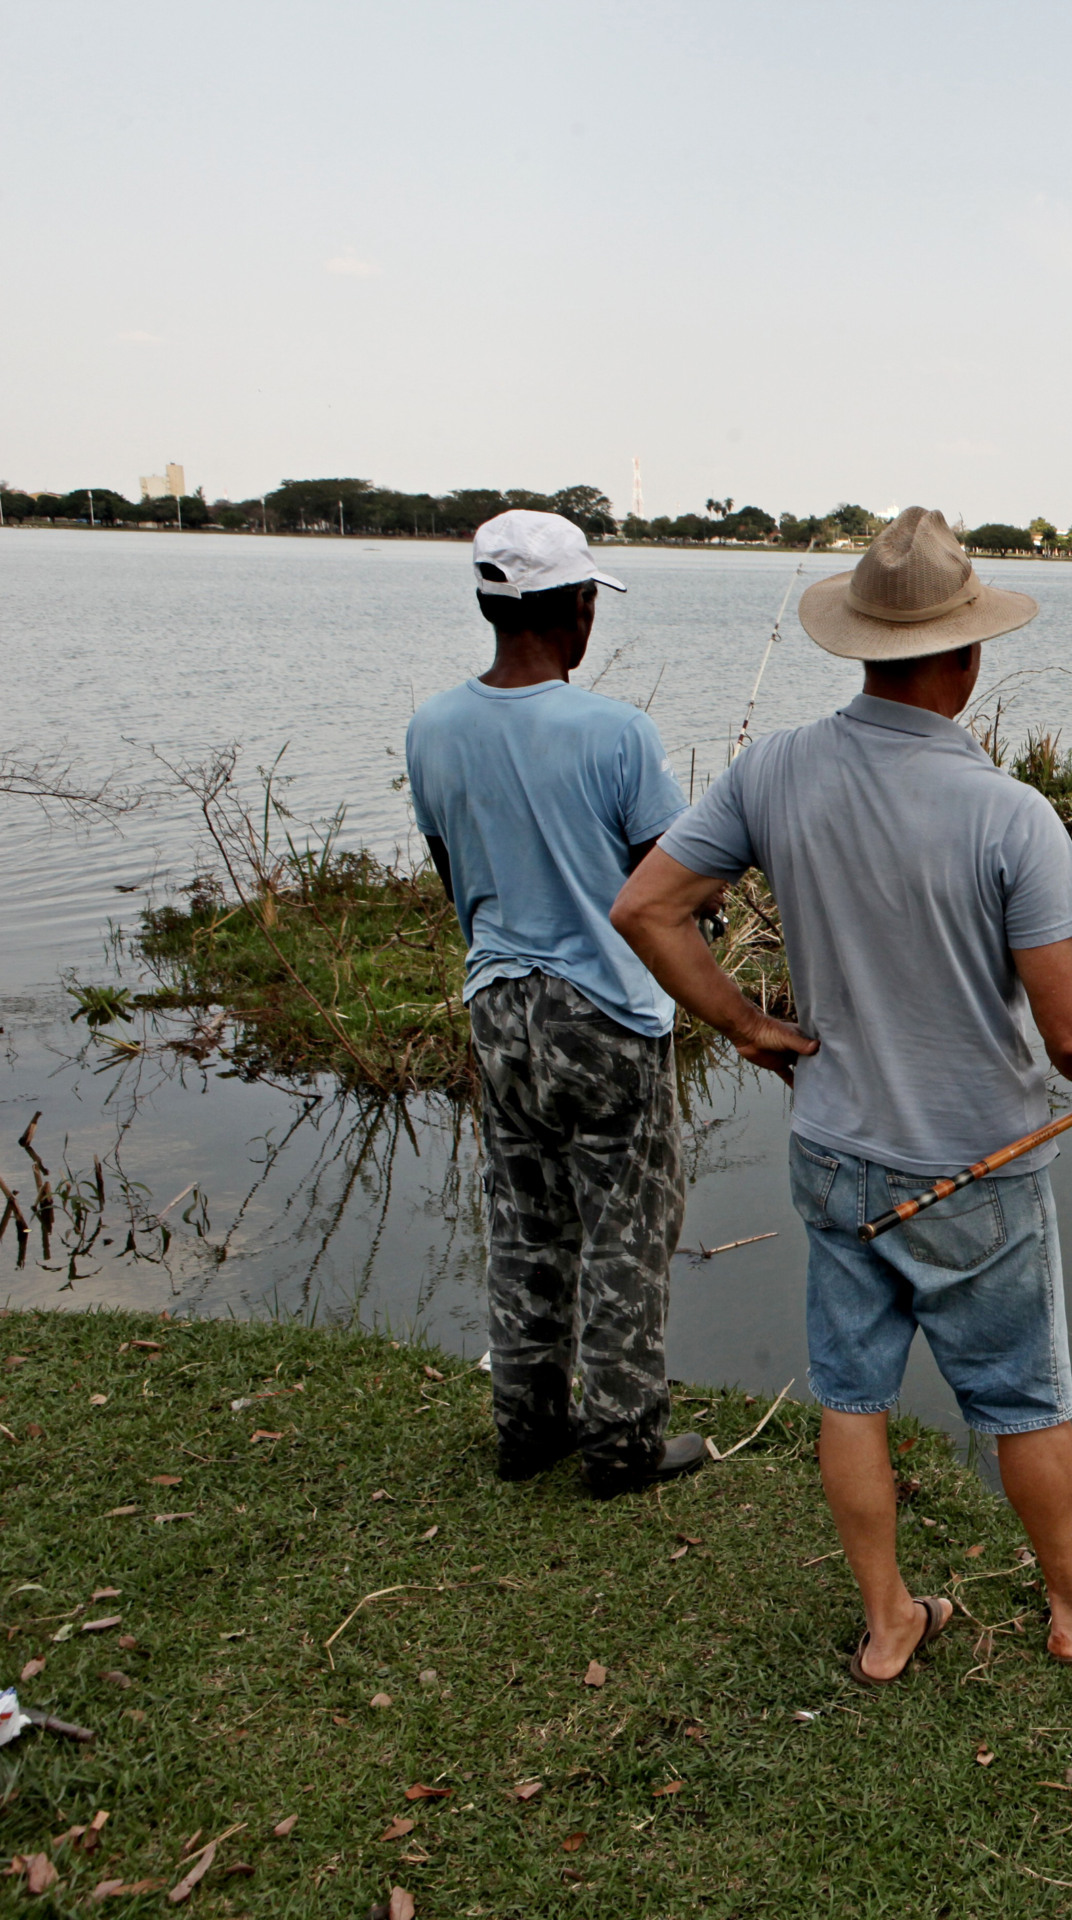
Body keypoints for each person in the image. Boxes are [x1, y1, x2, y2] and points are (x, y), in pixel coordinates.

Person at [611, 506, 1072, 1681]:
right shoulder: (1009, 815)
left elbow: (645, 909)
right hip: (974, 1166)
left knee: (852, 1394)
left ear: (863, 648)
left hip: (834, 1150)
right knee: (1023, 1397)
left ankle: (887, 1623)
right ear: (966, 660)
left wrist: (745, 1024)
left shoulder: (773, 769)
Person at [406, 509, 707, 1497]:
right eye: (589, 600)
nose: (592, 618)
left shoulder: (432, 728)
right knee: (627, 1231)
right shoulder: (617, 732)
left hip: (498, 1004)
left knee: (526, 1222)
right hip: (604, 1011)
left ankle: (526, 1423)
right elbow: (668, 888)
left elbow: (457, 873)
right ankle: (621, 1444)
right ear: (571, 609)